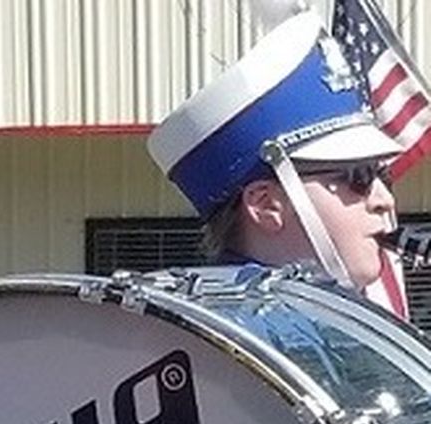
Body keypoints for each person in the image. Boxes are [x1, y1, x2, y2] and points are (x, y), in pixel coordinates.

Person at [147, 8, 406, 317]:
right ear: (266, 204)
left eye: (382, 176)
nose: (385, 200)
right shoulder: (239, 330)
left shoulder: (320, 321)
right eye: (359, 177)